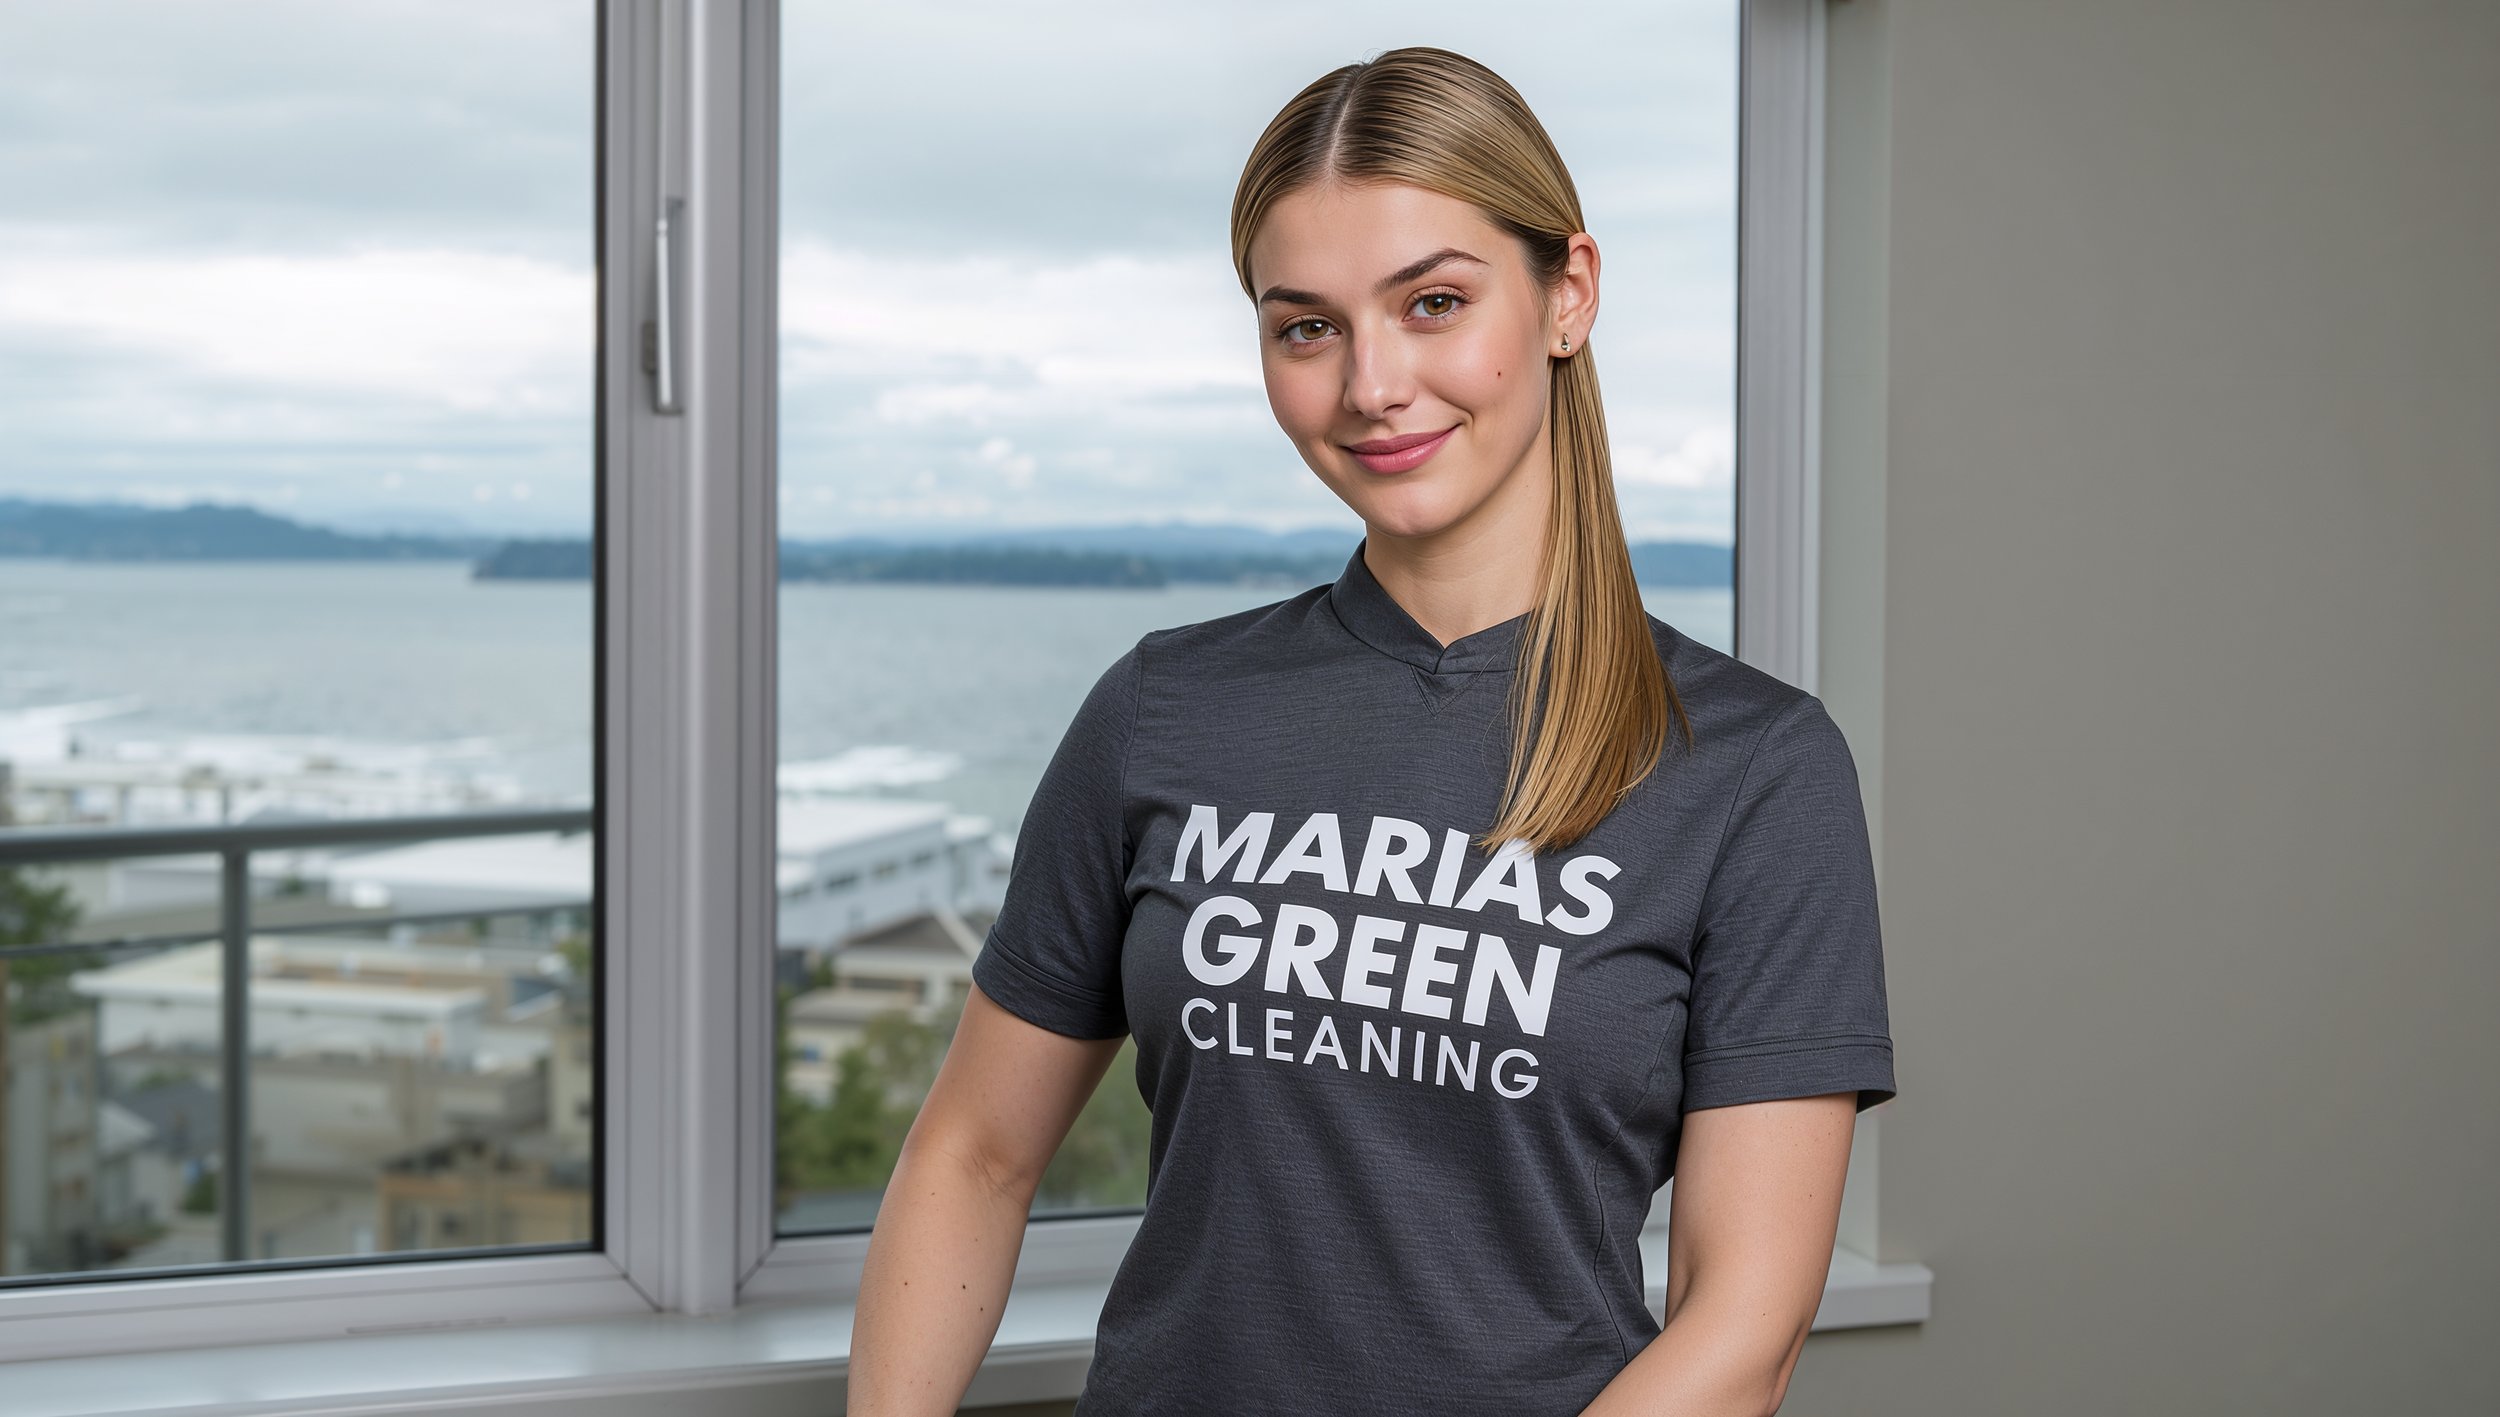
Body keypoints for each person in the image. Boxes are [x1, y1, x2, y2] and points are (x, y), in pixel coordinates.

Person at [848, 45, 1896, 1417]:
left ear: (1567, 294)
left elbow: (1744, 1319)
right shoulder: (1165, 707)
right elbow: (974, 1154)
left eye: (1435, 303)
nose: (1372, 385)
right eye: (1307, 326)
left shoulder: (1756, 769)